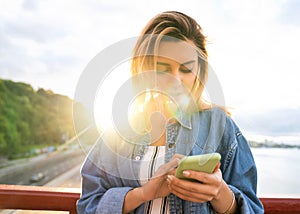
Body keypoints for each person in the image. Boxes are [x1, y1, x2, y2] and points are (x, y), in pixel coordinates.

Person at [77, 11, 264, 214]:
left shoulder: (220, 127)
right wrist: (144, 193)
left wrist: (220, 193)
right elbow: (88, 204)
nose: (175, 80)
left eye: (185, 69)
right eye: (163, 68)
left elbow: (253, 208)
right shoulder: (118, 132)